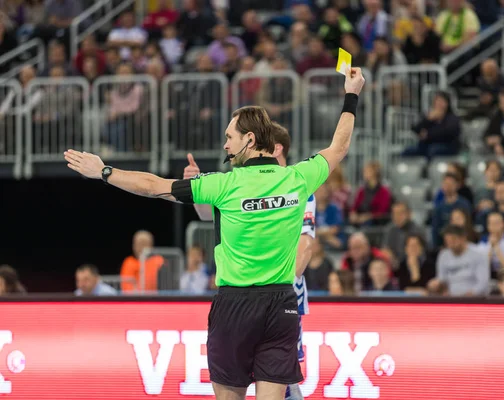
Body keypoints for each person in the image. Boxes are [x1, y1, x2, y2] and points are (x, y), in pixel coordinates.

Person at [64, 67, 366, 400]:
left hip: (235, 305)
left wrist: (104, 171)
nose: (225, 144)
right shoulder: (297, 179)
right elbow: (338, 147)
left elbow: (152, 186)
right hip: (282, 305)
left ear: (249, 140)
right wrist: (352, 92)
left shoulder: (222, 184)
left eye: (229, 138)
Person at [183, 122, 315, 400]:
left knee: (282, 381)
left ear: (272, 147)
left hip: (279, 295)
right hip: (249, 298)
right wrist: (195, 190)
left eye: (232, 138)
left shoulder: (297, 183)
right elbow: (209, 216)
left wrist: (276, 283)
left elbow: (306, 245)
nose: (227, 146)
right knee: (268, 380)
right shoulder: (237, 182)